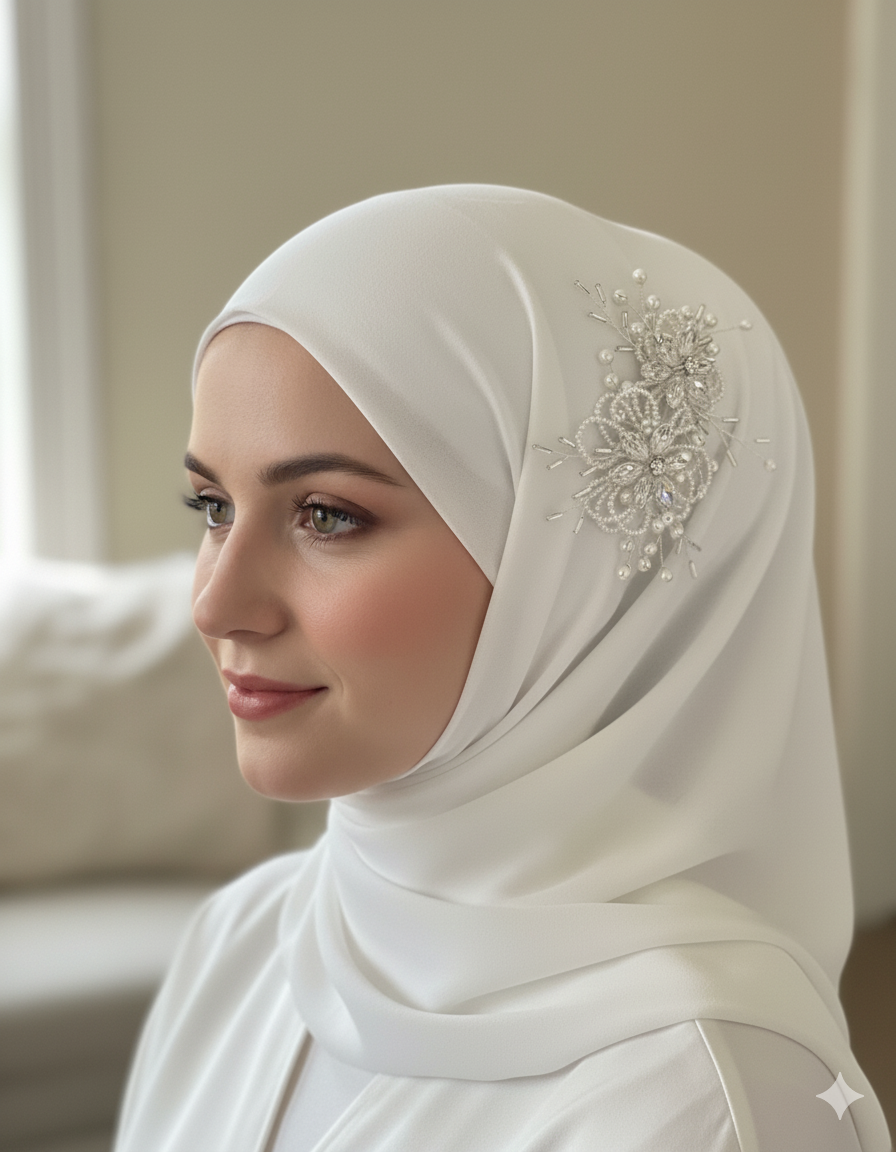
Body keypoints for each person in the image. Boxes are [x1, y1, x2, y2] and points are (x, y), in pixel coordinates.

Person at [112, 185, 892, 1151]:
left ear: (568, 578)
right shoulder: (240, 942)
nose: (215, 605)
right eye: (212, 507)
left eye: (326, 515)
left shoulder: (705, 1100)